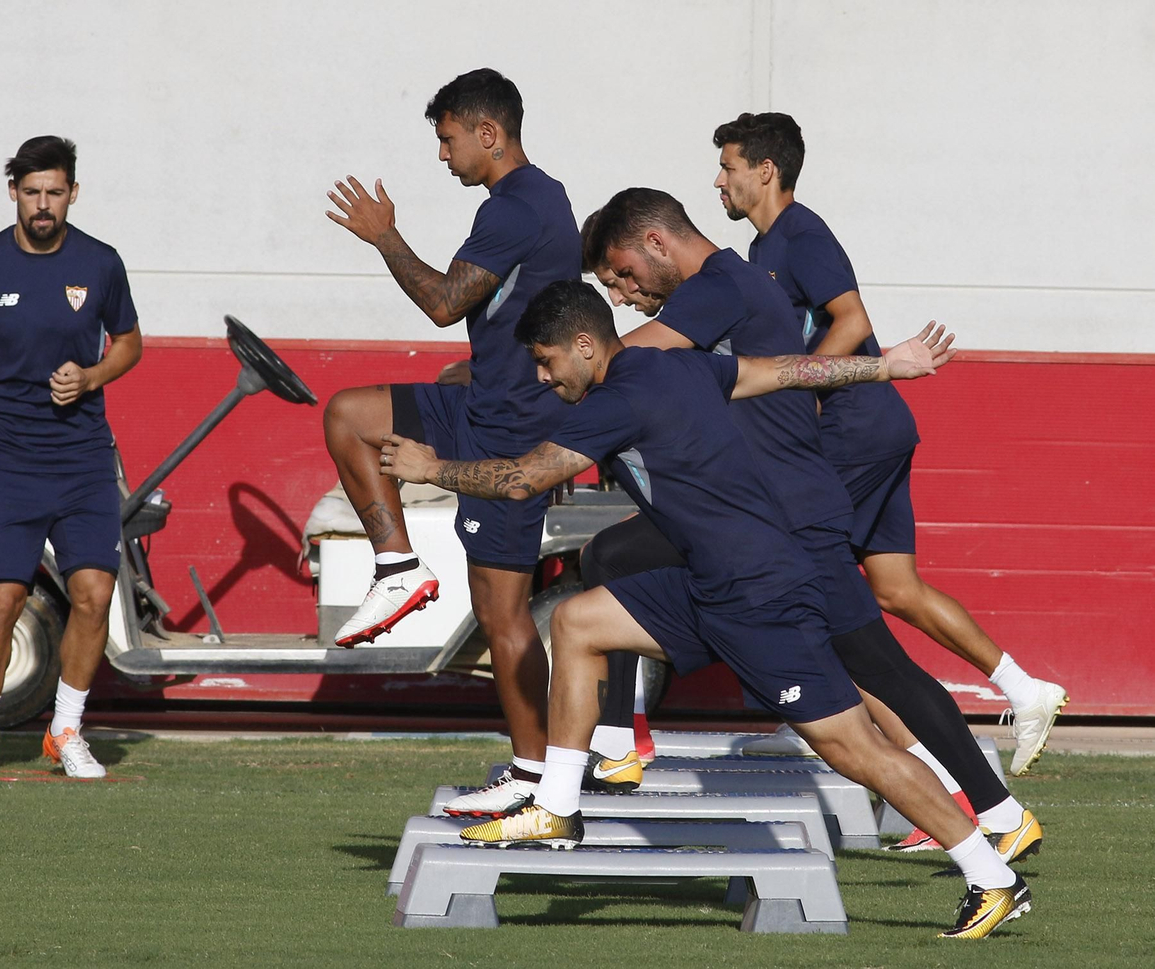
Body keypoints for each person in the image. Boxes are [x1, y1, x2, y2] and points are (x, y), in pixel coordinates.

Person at [382, 280, 1031, 939]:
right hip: (707, 582)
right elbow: (784, 370)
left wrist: (432, 468)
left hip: (761, 596)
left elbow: (522, 479)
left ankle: (992, 876)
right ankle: (555, 806)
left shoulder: (618, 400)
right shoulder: (675, 366)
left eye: (547, 362)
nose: (545, 377)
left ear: (584, 345)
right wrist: (883, 366)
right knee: (578, 623)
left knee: (853, 748)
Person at [579, 188, 1042, 862]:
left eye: (624, 274)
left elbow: (618, 365)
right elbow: (786, 371)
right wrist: (883, 364)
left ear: (656, 241)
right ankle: (618, 740)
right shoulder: (736, 284)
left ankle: (997, 812)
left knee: (881, 670)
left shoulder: (717, 288)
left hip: (790, 521)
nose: (625, 294)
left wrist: (517, 374)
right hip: (767, 516)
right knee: (611, 557)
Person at [711, 111, 1067, 777]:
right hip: (876, 426)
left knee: (802, 577)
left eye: (728, 167)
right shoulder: (764, 249)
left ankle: (871, 740)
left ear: (765, 170)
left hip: (852, 429)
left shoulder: (801, 234)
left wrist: (801, 393)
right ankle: (1025, 690)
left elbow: (853, 320)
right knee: (896, 589)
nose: (718, 181)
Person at [322, 69, 579, 816]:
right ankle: (398, 566)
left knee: (503, 615)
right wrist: (484, 364)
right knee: (349, 415)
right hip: (483, 399)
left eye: (447, 139)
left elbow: (442, 302)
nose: (442, 155)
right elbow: (523, 311)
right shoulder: (538, 199)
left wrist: (384, 235)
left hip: (508, 430)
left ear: (488, 134)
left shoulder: (516, 207)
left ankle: (534, 776)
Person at [0, 135, 143, 777]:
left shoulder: (101, 263)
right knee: (1, 601)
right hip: (7, 461)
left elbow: (130, 343)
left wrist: (93, 375)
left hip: (83, 459)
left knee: (94, 595)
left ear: (73, 193)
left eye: (54, 192)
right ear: (13, 194)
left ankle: (66, 731)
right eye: (31, 192)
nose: (43, 204)